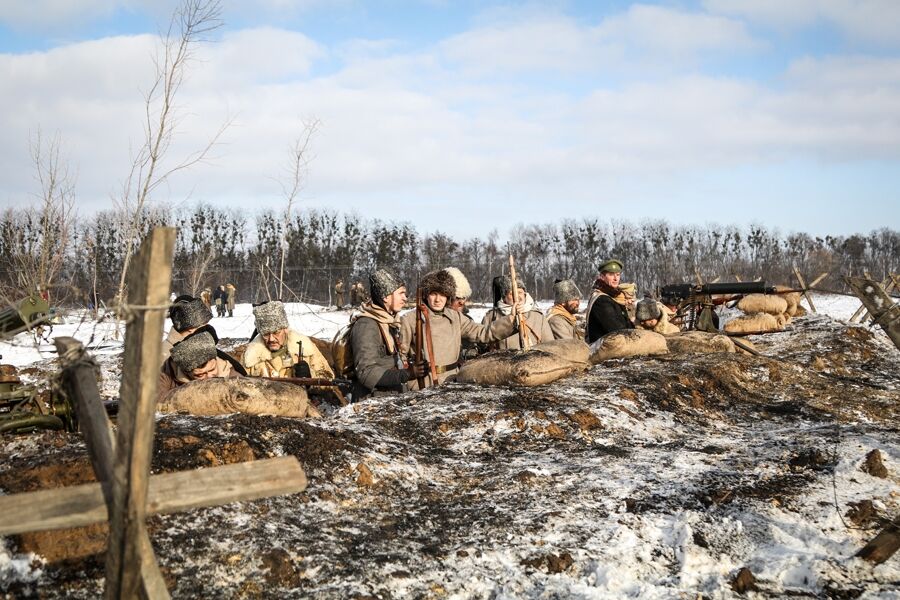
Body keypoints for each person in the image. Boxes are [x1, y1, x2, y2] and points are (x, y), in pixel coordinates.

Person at [400, 269, 516, 387]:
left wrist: (511, 320)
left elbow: (482, 332)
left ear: (448, 296)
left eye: (442, 294)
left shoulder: (456, 317)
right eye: (433, 293)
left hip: (451, 381)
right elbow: (400, 355)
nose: (437, 299)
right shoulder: (410, 319)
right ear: (426, 295)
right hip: (422, 383)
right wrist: (410, 372)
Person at [349, 269, 425, 401]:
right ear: (385, 296)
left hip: (389, 399)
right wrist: (406, 374)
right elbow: (366, 372)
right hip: (372, 403)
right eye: (401, 293)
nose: (405, 298)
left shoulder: (389, 321)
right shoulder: (367, 326)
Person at [242, 301, 333, 379]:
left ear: (285, 329)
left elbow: (329, 379)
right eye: (266, 334)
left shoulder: (307, 349)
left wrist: (310, 377)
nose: (271, 339)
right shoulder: (250, 356)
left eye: (276, 332)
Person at [159, 328, 242, 400]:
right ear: (186, 372)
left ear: (216, 361)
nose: (209, 377)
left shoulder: (233, 376)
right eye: (200, 375)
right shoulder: (167, 374)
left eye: (212, 369)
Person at [481, 275, 552, 349]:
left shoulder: (538, 317)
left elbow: (550, 346)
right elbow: (482, 345)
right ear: (504, 297)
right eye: (512, 294)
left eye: (520, 292)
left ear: (525, 294)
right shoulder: (491, 317)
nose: (517, 296)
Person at [585, 259, 635, 343]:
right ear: (602, 276)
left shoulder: (616, 297)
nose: (615, 278)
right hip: (603, 348)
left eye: (618, 275)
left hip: (616, 344)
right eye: (611, 275)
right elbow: (616, 329)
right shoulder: (601, 299)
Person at [162, 295, 213, 364]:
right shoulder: (166, 356)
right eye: (203, 324)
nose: (206, 326)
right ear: (191, 328)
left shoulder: (199, 346)